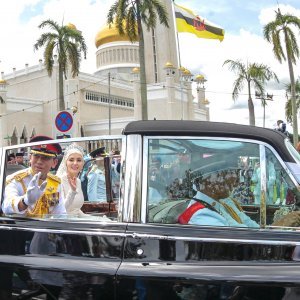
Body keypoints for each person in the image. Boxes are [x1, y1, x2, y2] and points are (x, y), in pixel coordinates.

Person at [178, 184, 300, 228]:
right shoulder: (202, 214)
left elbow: (250, 225)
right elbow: (244, 240)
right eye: (226, 175)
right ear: (208, 182)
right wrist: (278, 225)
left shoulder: (225, 201)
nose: (235, 180)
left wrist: (276, 226)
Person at [2, 135, 66, 217]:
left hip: (46, 228)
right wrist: (25, 201)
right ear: (30, 158)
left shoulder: (55, 183)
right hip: (21, 228)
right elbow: (6, 206)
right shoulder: (16, 179)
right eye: (36, 156)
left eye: (45, 158)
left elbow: (59, 213)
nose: (39, 161)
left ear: (54, 163)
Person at [56, 143, 87, 217]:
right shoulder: (59, 181)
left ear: (82, 164)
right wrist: (72, 191)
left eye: (79, 160)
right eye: (71, 160)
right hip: (65, 222)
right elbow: (61, 210)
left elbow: (77, 209)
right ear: (65, 163)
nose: (75, 163)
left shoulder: (78, 181)